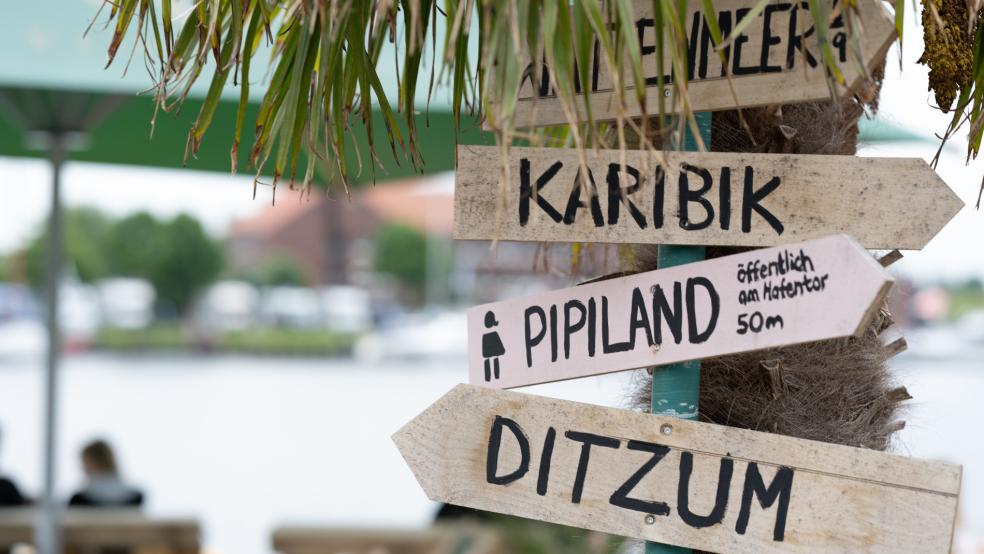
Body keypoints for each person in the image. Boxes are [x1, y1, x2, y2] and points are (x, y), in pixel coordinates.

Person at [68, 440, 143, 507]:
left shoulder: (79, 499)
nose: (83, 468)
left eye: (85, 463)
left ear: (93, 462)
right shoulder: (136, 497)